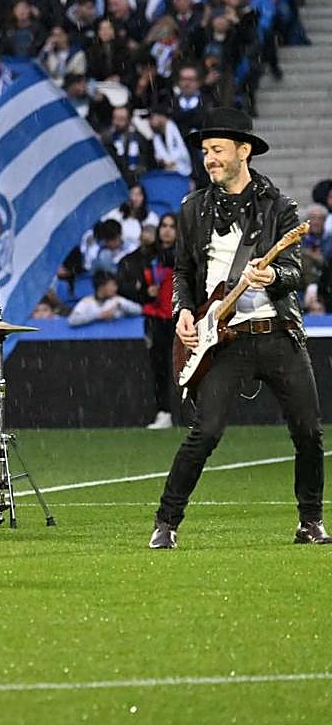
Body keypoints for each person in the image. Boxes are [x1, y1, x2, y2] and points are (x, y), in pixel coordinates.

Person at [151, 108, 327, 549]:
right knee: (205, 432)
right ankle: (166, 524)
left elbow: (296, 271)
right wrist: (184, 313)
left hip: (277, 332)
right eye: (206, 151)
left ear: (243, 151)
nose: (209, 158)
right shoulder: (192, 208)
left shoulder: (279, 207)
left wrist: (273, 277)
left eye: (217, 150)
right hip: (221, 338)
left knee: (308, 431)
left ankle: (310, 522)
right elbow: (184, 273)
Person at [118, 215, 178, 429]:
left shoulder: (183, 254)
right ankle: (164, 412)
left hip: (180, 317)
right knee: (159, 367)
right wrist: (145, 291)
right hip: (155, 317)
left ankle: (191, 411)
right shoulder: (147, 257)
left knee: (187, 365)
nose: (167, 230)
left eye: (172, 226)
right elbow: (127, 287)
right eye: (164, 226)